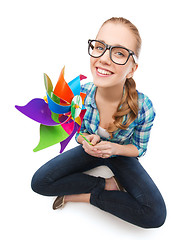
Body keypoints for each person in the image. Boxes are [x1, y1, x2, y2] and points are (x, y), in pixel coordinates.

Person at [31, 17, 166, 228]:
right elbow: (77, 130)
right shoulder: (80, 93)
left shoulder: (143, 106)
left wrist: (114, 148)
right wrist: (85, 140)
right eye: (100, 47)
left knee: (155, 215)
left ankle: (84, 197)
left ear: (132, 69)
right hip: (90, 150)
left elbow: (138, 148)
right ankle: (107, 184)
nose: (104, 58)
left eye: (119, 53)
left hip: (119, 154)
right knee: (39, 182)